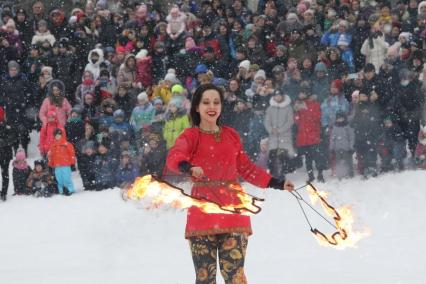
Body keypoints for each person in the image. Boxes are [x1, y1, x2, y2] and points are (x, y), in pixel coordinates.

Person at [166, 84, 294, 284]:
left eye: (216, 102)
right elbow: (174, 157)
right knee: (205, 279)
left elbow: (247, 169)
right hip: (203, 210)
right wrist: (188, 167)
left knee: (235, 278)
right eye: (206, 102)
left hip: (233, 209)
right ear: (197, 107)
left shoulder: (231, 135)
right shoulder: (190, 136)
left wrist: (277, 182)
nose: (212, 106)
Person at [48, 128, 76, 196]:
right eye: (56, 135)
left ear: (62, 135)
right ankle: (62, 190)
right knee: (59, 179)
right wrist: (50, 164)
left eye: (59, 135)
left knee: (66, 178)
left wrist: (72, 163)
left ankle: (70, 189)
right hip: (57, 166)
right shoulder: (53, 146)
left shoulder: (67, 144)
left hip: (66, 165)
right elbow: (51, 156)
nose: (57, 136)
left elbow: (72, 154)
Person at [0, 106, 15, 201]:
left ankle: (4, 192)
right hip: (5, 153)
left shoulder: (7, 126)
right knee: (5, 173)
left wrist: (2, 142)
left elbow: (12, 138)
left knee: (5, 173)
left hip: (5, 153)